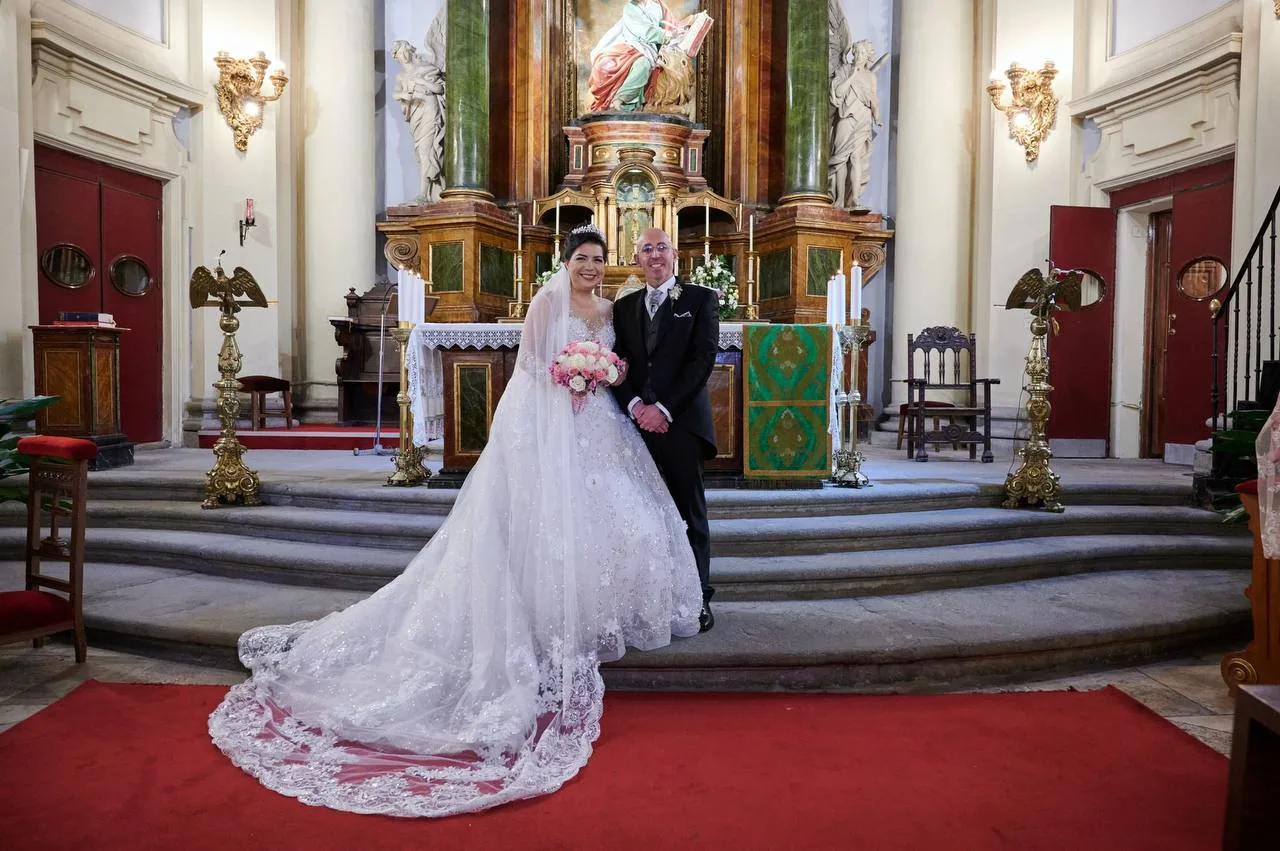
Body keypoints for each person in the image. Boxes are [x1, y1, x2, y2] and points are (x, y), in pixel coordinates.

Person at [208, 225, 703, 818]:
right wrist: (568, 375)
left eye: (598, 259)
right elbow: (529, 366)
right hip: (548, 420)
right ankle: (545, 614)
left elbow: (623, 366)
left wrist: (602, 373)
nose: (591, 267)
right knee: (545, 522)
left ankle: (605, 609)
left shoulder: (611, 307)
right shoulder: (548, 302)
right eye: (582, 259)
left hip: (598, 421)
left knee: (625, 513)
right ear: (565, 262)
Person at [611, 227, 719, 631]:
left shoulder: (700, 299)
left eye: (661, 248)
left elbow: (702, 359)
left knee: (688, 513)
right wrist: (637, 405)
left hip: (681, 423)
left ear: (675, 255)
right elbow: (618, 365)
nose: (654, 256)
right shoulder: (623, 308)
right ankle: (650, 600)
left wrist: (665, 409)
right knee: (640, 513)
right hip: (635, 425)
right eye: (646, 249)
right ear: (637, 259)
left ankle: (698, 599)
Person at [587, 0, 680, 112]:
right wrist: (667, 36)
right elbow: (644, 31)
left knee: (648, 65)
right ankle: (618, 102)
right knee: (640, 64)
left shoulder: (659, 6)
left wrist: (679, 32)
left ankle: (622, 102)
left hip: (650, 49)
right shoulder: (630, 7)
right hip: (631, 46)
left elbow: (670, 25)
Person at [390, 38, 445, 204]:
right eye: (398, 55)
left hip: (429, 109)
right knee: (420, 153)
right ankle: (427, 193)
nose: (402, 57)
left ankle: (423, 194)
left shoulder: (426, 68)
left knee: (426, 150)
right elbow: (395, 94)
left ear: (409, 51)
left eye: (403, 52)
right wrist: (404, 95)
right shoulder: (401, 76)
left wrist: (421, 82)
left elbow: (439, 88)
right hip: (416, 113)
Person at [828, 39, 881, 210]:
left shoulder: (870, 76)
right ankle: (839, 200)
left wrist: (877, 117)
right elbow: (838, 92)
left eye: (863, 54)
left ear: (868, 57)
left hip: (863, 119)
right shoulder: (844, 70)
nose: (859, 56)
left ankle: (855, 199)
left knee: (856, 158)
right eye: (856, 52)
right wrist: (852, 76)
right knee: (840, 159)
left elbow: (873, 99)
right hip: (846, 117)